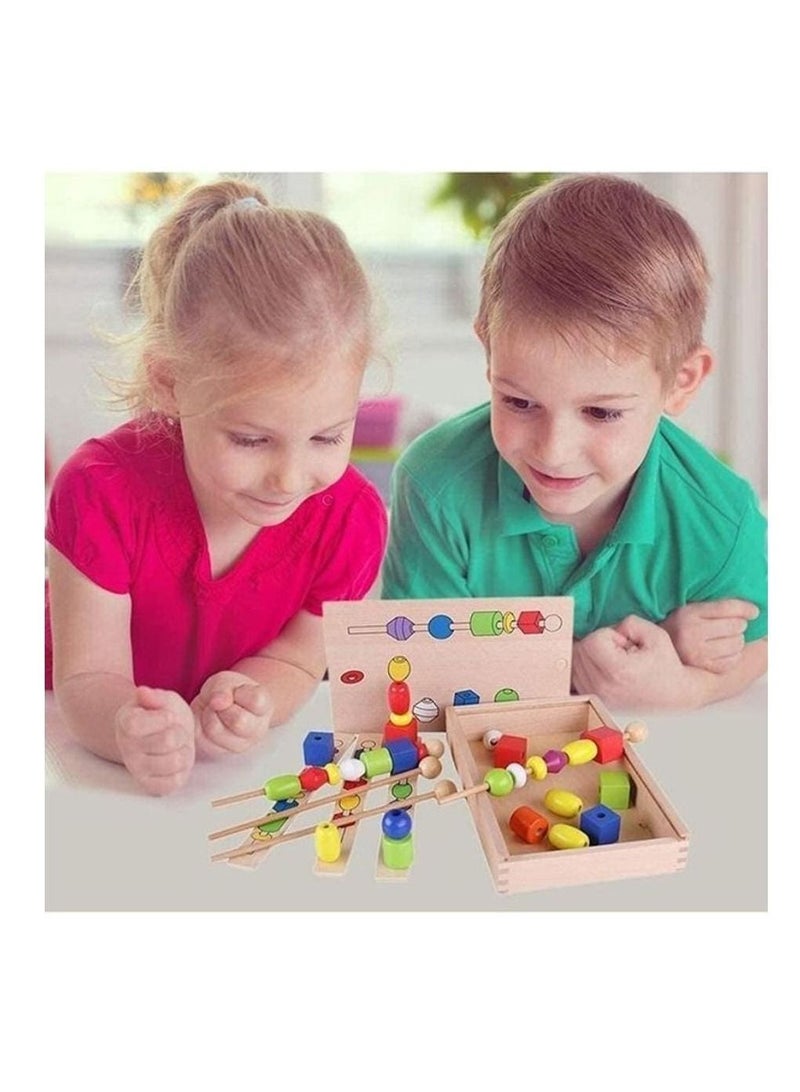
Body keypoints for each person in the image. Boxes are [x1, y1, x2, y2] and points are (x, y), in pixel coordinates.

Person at [46, 179, 387, 794]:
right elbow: (84, 679)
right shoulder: (99, 492)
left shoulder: (351, 519)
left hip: (219, 785)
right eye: (252, 440)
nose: (289, 479)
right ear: (170, 382)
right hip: (69, 758)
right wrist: (125, 725)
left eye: (328, 437)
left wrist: (255, 697)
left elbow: (302, 655)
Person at [381, 174, 767, 710]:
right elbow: (418, 658)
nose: (553, 450)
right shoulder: (434, 482)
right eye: (518, 402)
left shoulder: (723, 518)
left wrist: (687, 684)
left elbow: (764, 642)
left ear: (681, 381)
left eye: (602, 412)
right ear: (488, 351)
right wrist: (571, 658)